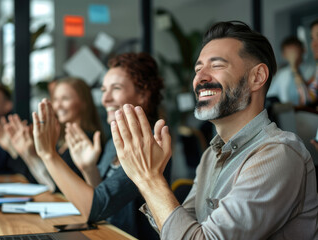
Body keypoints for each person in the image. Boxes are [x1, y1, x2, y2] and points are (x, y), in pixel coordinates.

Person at [111, 21, 318, 239]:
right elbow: (182, 229)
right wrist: (149, 178)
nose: (200, 78)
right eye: (198, 69)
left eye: (216, 65)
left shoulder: (278, 154)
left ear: (257, 77)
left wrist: (149, 178)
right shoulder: (211, 155)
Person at [32, 52, 170, 239]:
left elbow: (96, 208)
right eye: (104, 90)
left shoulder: (150, 143)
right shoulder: (116, 140)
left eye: (116, 88)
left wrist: (49, 155)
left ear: (143, 95)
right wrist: (89, 169)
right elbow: (105, 203)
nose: (105, 99)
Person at [267, 36, 315, 106]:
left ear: (303, 50)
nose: (292, 54)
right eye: (289, 51)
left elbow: (308, 98)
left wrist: (294, 66)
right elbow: (270, 95)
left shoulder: (312, 70)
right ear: (284, 55)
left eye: (294, 50)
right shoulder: (281, 74)